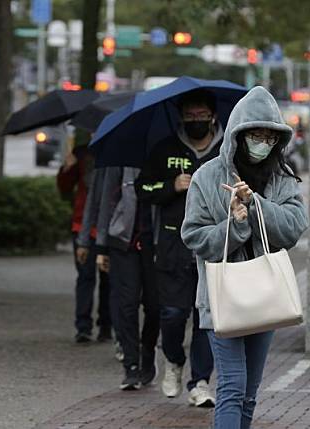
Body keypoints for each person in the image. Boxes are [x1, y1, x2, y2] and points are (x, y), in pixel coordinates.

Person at [181, 86, 309, 428]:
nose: (262, 142)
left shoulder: (282, 178)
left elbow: (294, 228)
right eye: (256, 134)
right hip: (222, 298)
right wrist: (234, 225)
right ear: (238, 134)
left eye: (270, 136)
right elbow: (194, 237)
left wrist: (255, 206)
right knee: (232, 388)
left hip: (265, 297)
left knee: (250, 392)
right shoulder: (207, 178)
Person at [135, 90, 220, 407]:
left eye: (202, 115)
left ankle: (200, 381)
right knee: (171, 315)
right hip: (172, 246)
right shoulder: (165, 149)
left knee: (205, 318)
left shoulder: (226, 151)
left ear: (212, 116)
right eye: (190, 115)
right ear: (181, 117)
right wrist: (172, 185)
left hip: (212, 247)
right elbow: (143, 187)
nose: (196, 121)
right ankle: (172, 359)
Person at [78, 167, 160, 391]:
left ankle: (148, 352)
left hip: (157, 240)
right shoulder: (117, 158)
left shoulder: (163, 149)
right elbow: (102, 201)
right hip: (123, 242)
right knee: (127, 303)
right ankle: (131, 364)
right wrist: (97, 244)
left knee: (155, 306)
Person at [56, 145, 112, 344]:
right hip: (83, 227)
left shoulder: (117, 151)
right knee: (85, 276)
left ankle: (106, 325)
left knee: (108, 279)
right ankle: (83, 326)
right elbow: (64, 188)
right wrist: (68, 168)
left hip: (110, 225)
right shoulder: (80, 154)